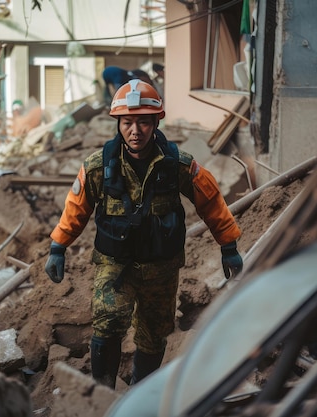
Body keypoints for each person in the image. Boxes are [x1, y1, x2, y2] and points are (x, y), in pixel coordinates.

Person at [44, 79, 243, 388]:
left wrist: (228, 245)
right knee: (108, 323)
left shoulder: (177, 164)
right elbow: (76, 207)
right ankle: (102, 396)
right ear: (118, 124)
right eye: (127, 122)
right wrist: (58, 246)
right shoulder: (99, 166)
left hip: (161, 268)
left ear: (155, 122)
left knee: (154, 335)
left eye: (143, 122)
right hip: (115, 264)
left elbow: (211, 200)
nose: (135, 130)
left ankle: (140, 395)